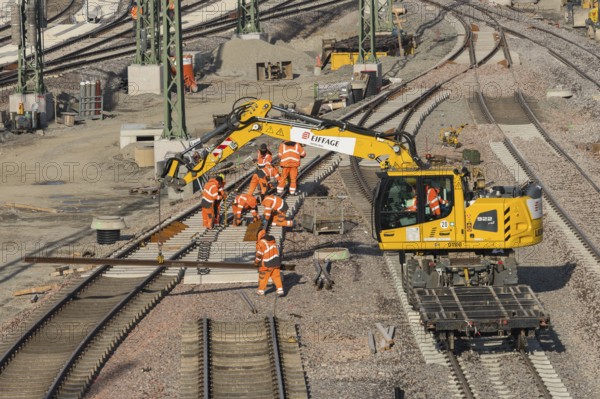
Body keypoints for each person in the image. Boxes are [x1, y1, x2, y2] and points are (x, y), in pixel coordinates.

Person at [254, 229, 284, 296]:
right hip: (276, 262)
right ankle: (280, 289)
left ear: (259, 235)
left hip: (267, 263)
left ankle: (261, 290)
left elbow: (259, 254)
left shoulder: (261, 242)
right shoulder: (273, 241)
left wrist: (256, 262)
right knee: (276, 276)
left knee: (263, 277)